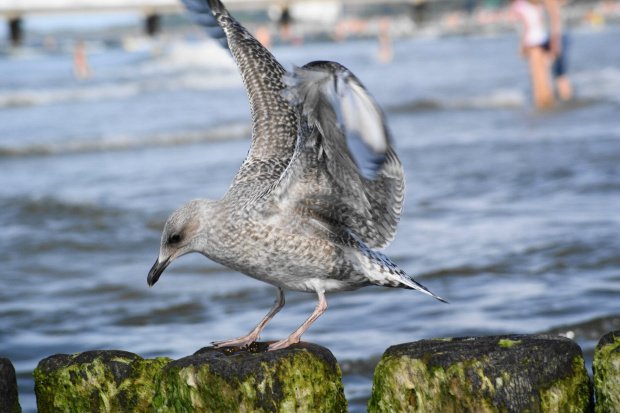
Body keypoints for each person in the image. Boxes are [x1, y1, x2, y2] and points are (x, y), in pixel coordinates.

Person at [510, 0, 572, 110]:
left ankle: (542, 104)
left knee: (538, 76)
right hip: (543, 39)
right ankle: (550, 102)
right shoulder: (537, 5)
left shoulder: (523, 5)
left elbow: (526, 26)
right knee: (547, 74)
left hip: (533, 41)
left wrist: (522, 45)